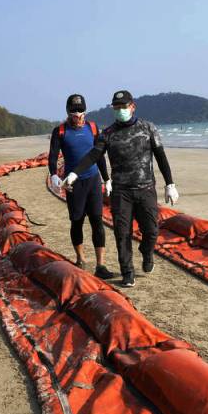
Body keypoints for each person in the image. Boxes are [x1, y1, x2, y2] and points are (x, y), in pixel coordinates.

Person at [63, 90, 178, 288]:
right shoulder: (108, 134)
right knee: (122, 233)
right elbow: (93, 155)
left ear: (132, 106)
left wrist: (170, 184)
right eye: (116, 108)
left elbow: (160, 156)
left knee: (151, 231)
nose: (120, 110)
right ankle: (128, 272)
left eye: (123, 107)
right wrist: (74, 173)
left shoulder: (148, 128)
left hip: (146, 188)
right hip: (121, 192)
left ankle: (147, 252)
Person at [48, 93, 115, 279]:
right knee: (76, 221)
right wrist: (53, 174)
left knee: (97, 221)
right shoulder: (60, 131)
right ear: (68, 112)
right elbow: (52, 156)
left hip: (93, 181)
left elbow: (99, 155)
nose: (76, 114)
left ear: (85, 111)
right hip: (73, 184)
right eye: (73, 111)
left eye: (79, 110)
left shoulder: (93, 128)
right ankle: (81, 259)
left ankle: (100, 265)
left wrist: (107, 179)